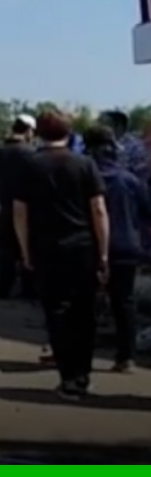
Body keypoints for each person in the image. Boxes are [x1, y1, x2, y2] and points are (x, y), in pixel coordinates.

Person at [13, 111, 109, 400]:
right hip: (82, 246)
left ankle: (67, 377)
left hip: (46, 249)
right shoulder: (85, 164)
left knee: (56, 312)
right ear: (69, 132)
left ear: (39, 133)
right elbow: (98, 210)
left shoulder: (29, 166)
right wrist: (103, 252)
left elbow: (20, 213)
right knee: (84, 312)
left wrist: (25, 251)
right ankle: (83, 375)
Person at [84, 125, 148, 374]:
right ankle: (126, 357)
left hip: (88, 247)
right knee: (124, 302)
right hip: (126, 246)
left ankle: (80, 357)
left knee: (84, 302)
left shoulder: (83, 178)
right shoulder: (128, 179)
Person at [0, 115, 37, 300]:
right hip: (28, 208)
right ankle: (29, 289)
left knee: (6, 251)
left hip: (5, 207)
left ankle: (4, 289)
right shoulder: (31, 154)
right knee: (28, 249)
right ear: (29, 131)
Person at [100, 110, 150, 184]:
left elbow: (141, 176)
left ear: (119, 127)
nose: (101, 127)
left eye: (106, 124)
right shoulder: (101, 144)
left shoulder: (135, 148)